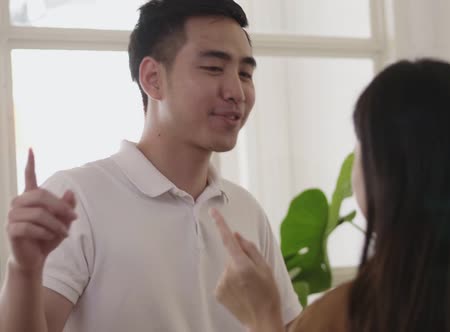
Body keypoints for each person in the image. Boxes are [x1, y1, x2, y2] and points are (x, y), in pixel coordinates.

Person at [211, 59, 450, 332]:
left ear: (385, 178)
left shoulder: (341, 317)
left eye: (361, 148)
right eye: (214, 67)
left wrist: (262, 319)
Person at [0, 0, 301, 331]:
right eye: (214, 68)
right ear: (153, 78)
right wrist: (24, 271)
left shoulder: (247, 210)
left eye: (245, 73)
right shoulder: (78, 198)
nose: (237, 92)